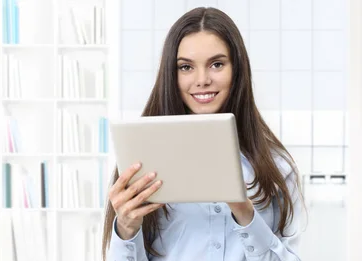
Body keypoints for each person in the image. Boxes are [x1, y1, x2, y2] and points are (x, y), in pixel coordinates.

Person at [101, 6, 305, 261]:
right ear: (171, 75)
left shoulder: (278, 167)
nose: (202, 80)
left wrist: (244, 212)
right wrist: (126, 230)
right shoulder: (142, 162)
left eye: (216, 64)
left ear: (237, 70)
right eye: (186, 67)